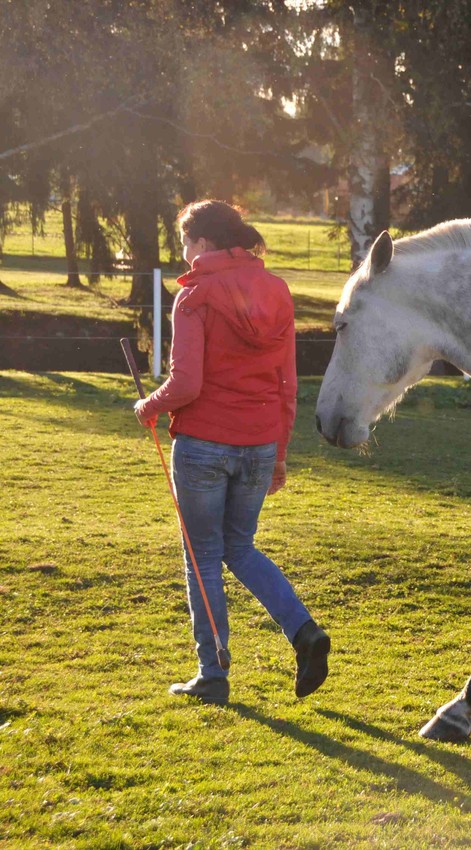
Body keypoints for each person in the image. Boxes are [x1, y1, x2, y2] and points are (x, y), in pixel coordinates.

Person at [135, 200, 329, 706]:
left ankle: (212, 674)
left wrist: (148, 405)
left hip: (203, 444)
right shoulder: (277, 291)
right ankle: (305, 631)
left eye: (184, 243)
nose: (183, 253)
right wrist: (279, 453)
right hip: (260, 441)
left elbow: (186, 382)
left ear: (202, 242)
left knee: (202, 555)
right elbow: (288, 384)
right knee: (238, 547)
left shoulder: (195, 295)